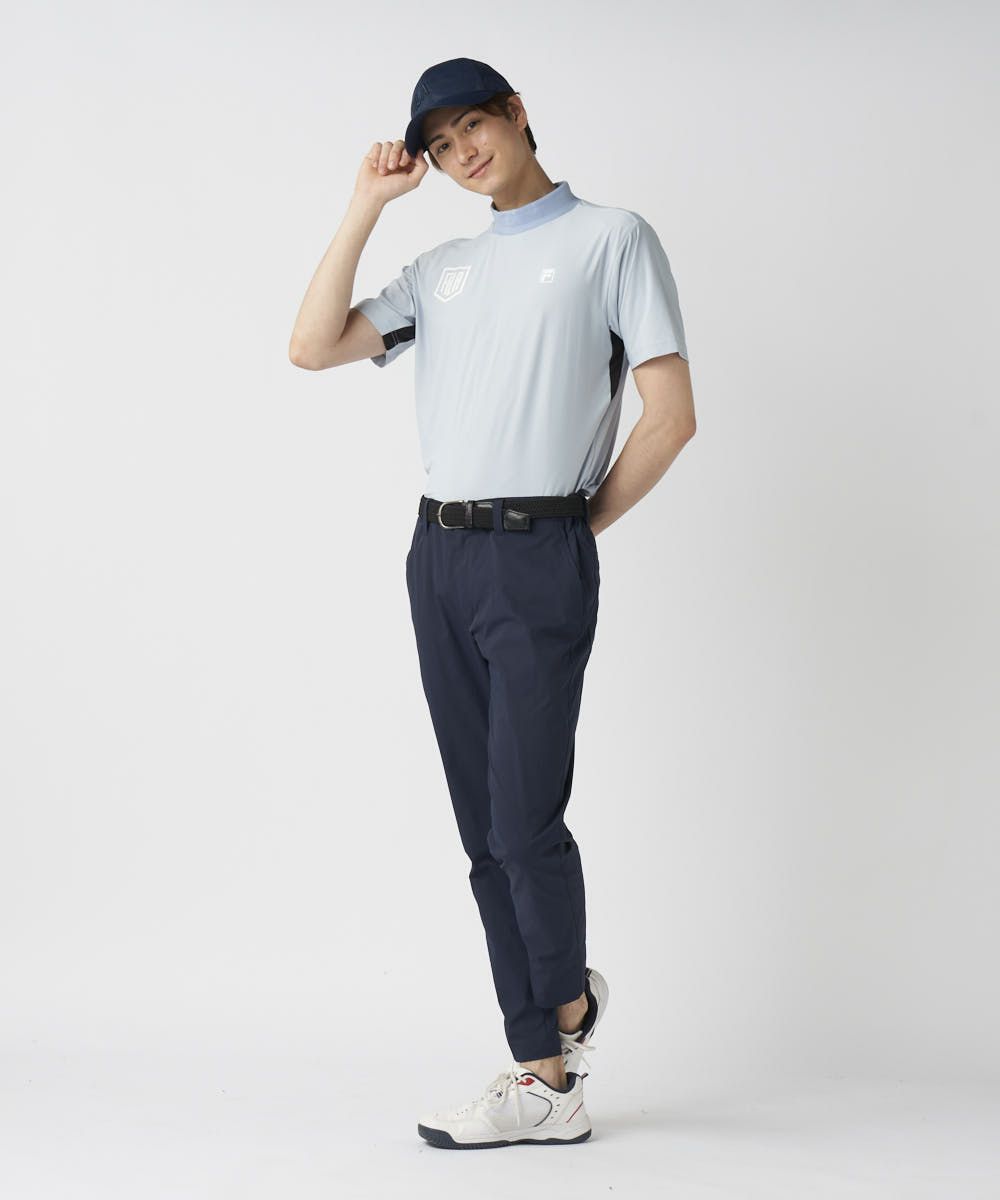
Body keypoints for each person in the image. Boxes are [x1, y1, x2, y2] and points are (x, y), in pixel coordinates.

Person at [289, 57, 696, 1149]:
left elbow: (670, 416)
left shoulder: (612, 240)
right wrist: (367, 205)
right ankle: (546, 1069)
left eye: (473, 125)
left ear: (517, 114)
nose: (461, 153)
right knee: (482, 831)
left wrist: (569, 531)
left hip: (537, 551)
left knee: (524, 820)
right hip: (437, 554)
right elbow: (311, 346)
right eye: (439, 145)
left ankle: (557, 1023)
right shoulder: (443, 269)